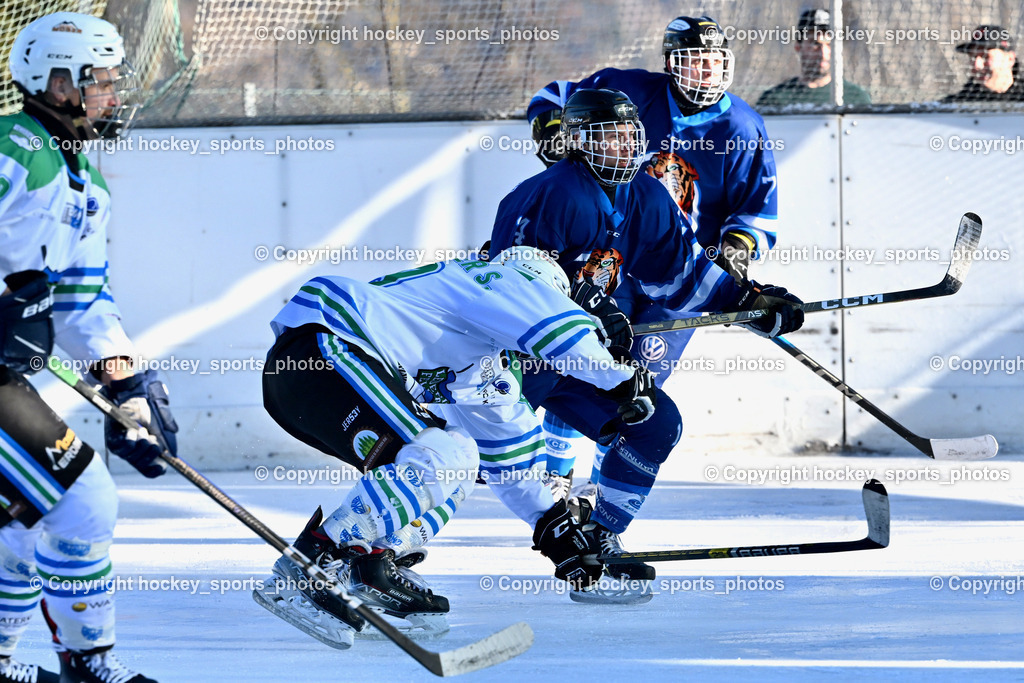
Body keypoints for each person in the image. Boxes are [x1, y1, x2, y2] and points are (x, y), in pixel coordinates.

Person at [489, 88, 806, 602]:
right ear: (576, 141)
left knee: (653, 422)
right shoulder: (552, 193)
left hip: (570, 358)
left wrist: (749, 301)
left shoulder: (646, 195)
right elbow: (514, 283)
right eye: (606, 135)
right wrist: (590, 306)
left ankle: (599, 542)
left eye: (628, 134)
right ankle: (368, 549)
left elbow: (682, 277)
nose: (621, 145)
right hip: (504, 358)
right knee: (450, 455)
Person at [254, 247, 661, 641]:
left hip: (307, 383)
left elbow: (509, 463)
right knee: (442, 455)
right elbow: (559, 328)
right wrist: (619, 375)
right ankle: (316, 560)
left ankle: (370, 564)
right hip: (326, 345)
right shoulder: (495, 278)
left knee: (461, 458)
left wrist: (556, 530)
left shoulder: (481, 358)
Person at [528, 16, 781, 495]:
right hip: (614, 262)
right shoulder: (627, 91)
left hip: (676, 275)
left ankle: (603, 498)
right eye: (694, 60)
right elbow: (555, 95)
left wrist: (736, 250)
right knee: (588, 368)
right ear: (670, 63)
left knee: (638, 390)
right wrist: (553, 127)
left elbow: (757, 212)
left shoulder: (744, 127)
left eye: (714, 61)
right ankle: (555, 482)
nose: (705, 71)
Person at [0, 12, 177, 683]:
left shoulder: (88, 188)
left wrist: (124, 383)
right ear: (52, 79)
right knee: (83, 498)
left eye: (111, 81)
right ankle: (90, 663)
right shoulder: (11, 148)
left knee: (24, 516)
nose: (111, 93)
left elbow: (80, 301)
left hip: (5, 376)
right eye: (97, 80)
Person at [756, 9, 871, 107]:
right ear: (798, 47)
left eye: (829, 44)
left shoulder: (856, 98)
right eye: (815, 43)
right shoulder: (775, 99)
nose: (823, 52)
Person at [943, 25, 1024, 103]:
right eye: (973, 57)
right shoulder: (955, 105)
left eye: (986, 57)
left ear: (1010, 59)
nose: (977, 65)